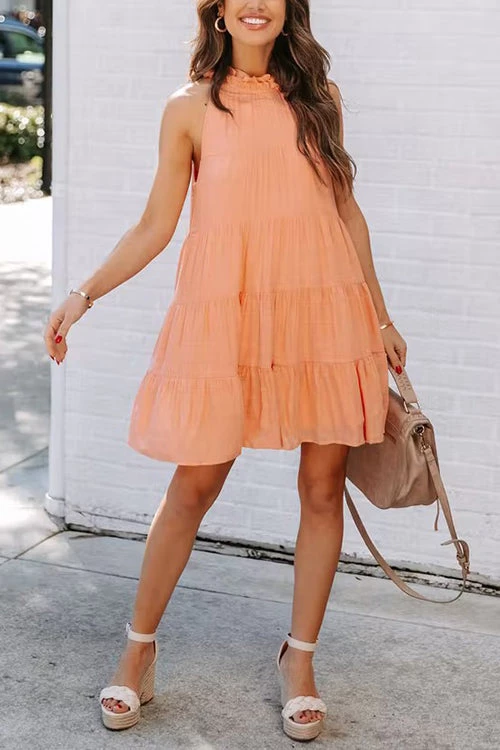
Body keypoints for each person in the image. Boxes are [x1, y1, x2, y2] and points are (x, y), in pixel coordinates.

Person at [44, 0, 407, 741]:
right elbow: (156, 223)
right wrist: (83, 294)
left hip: (323, 309)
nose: (255, 4)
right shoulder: (188, 107)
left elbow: (347, 212)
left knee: (322, 487)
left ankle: (299, 660)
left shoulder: (320, 97)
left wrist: (380, 317)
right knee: (194, 484)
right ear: (217, 10)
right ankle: (138, 650)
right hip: (228, 311)